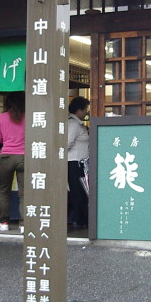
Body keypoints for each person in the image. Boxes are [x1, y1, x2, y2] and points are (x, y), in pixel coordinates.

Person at [0, 91, 25, 233]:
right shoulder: (29, 117)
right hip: (24, 156)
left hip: (6, 157)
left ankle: (4, 223)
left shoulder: (1, 117)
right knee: (24, 193)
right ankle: (24, 224)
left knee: (4, 191)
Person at [67, 96, 90, 229]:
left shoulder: (77, 124)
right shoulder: (73, 124)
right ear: (79, 110)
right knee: (78, 192)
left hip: (79, 163)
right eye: (85, 109)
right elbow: (67, 143)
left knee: (80, 192)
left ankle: (80, 218)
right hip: (74, 163)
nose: (87, 112)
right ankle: (79, 219)